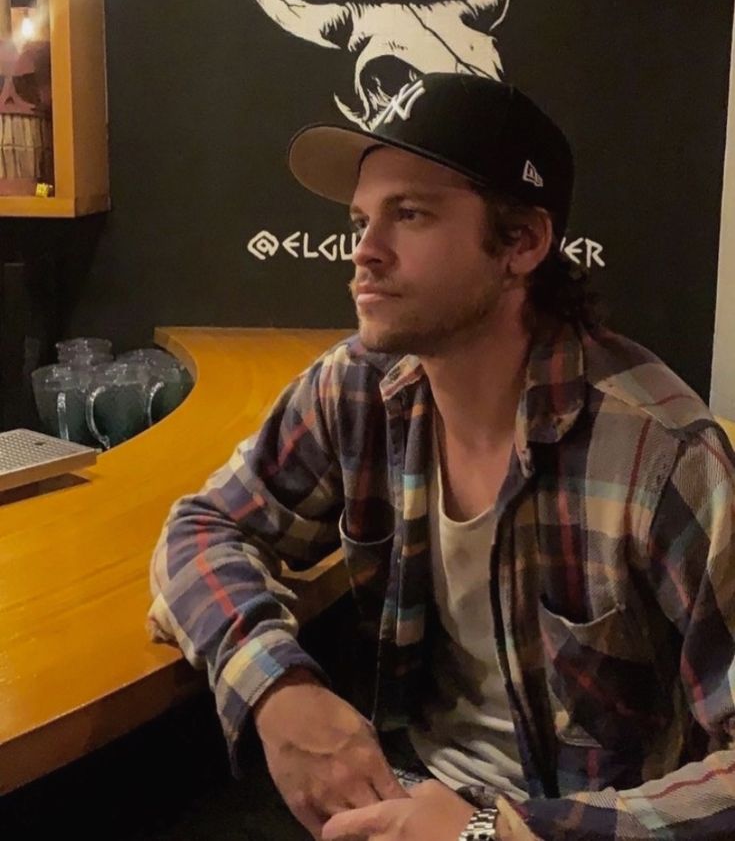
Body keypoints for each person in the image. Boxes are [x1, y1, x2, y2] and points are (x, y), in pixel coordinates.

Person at [148, 73, 735, 840]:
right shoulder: (356, 387)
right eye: (361, 219)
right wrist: (278, 689)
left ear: (520, 242)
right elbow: (200, 528)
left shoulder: (662, 456)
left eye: (410, 214)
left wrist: (493, 831)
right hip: (391, 793)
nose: (363, 252)